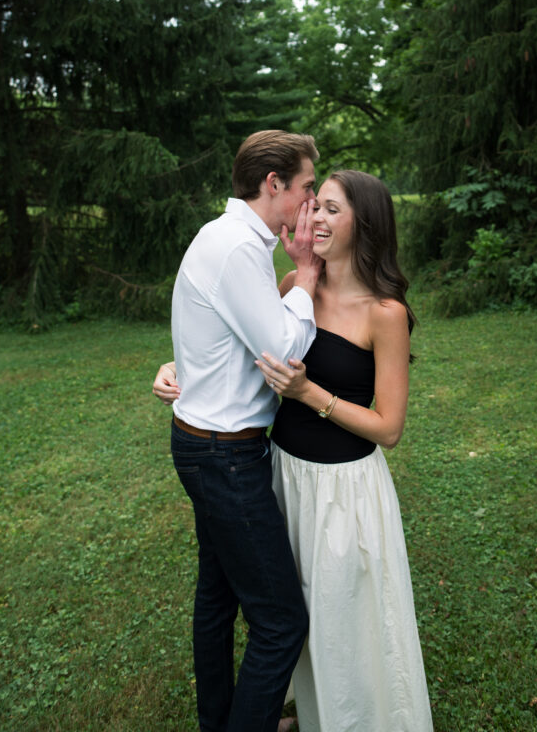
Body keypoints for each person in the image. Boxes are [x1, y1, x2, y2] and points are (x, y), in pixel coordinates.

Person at [155, 169, 434, 732]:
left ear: (367, 223)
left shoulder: (386, 313)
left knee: (341, 615)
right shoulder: (293, 287)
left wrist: (310, 393)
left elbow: (389, 427)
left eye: (331, 209)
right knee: (291, 607)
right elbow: (241, 351)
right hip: (281, 475)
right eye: (315, 205)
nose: (314, 218)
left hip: (343, 489)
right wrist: (177, 369)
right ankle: (303, 710)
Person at [156, 130, 323, 732]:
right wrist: (305, 273)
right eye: (307, 188)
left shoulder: (226, 238)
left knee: (218, 596)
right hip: (226, 457)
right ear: (273, 184)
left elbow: (219, 334)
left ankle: (219, 720)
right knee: (281, 622)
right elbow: (280, 356)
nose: (311, 202)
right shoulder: (237, 250)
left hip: (202, 441)